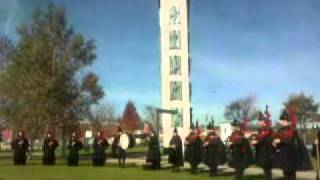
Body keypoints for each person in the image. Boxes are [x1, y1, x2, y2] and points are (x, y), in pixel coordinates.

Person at [272, 110, 312, 180]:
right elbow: (276, 139)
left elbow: (290, 141)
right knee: (285, 173)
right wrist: (275, 143)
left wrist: (280, 141)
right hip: (283, 154)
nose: (281, 122)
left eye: (283, 121)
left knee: (291, 174)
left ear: (287, 121)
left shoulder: (292, 130)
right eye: (281, 121)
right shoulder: (280, 130)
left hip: (291, 154)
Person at [251, 107, 273, 180]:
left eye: (259, 121)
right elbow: (258, 137)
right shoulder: (260, 130)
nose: (258, 123)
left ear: (263, 121)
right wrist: (254, 139)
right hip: (261, 151)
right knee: (265, 168)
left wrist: (257, 141)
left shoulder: (268, 129)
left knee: (267, 169)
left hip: (267, 151)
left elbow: (265, 138)